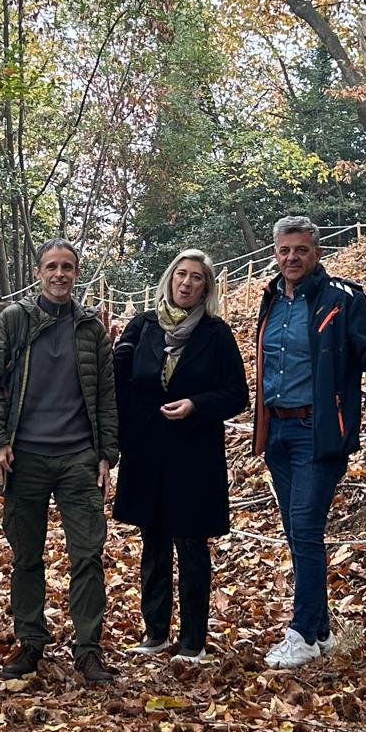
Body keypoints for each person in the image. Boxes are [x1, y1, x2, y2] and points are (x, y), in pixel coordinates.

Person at [0, 238, 120, 684]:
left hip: (79, 458)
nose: (60, 274)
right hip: (25, 457)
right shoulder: (15, 320)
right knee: (26, 557)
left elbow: (107, 396)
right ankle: (31, 641)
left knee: (88, 556)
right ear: (39, 273)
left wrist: (107, 455)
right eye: (52, 267)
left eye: (68, 267)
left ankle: (88, 649)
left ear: (77, 274)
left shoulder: (91, 328)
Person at [253, 214, 366, 670]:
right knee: (297, 533)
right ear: (275, 254)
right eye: (284, 250)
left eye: (301, 250)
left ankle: (302, 633)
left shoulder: (342, 298)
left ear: (317, 253)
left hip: (320, 431)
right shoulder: (270, 298)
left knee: (307, 528)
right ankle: (322, 631)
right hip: (277, 431)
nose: (291, 258)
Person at [113, 248, 248, 663]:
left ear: (206, 288)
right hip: (147, 451)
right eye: (181, 275)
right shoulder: (142, 326)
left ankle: (192, 641)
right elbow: (121, 384)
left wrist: (197, 404)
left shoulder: (216, 333)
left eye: (196, 278)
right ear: (169, 279)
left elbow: (237, 395)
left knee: (191, 545)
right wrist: (112, 353)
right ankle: (154, 632)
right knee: (153, 544)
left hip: (194, 454)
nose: (186, 283)